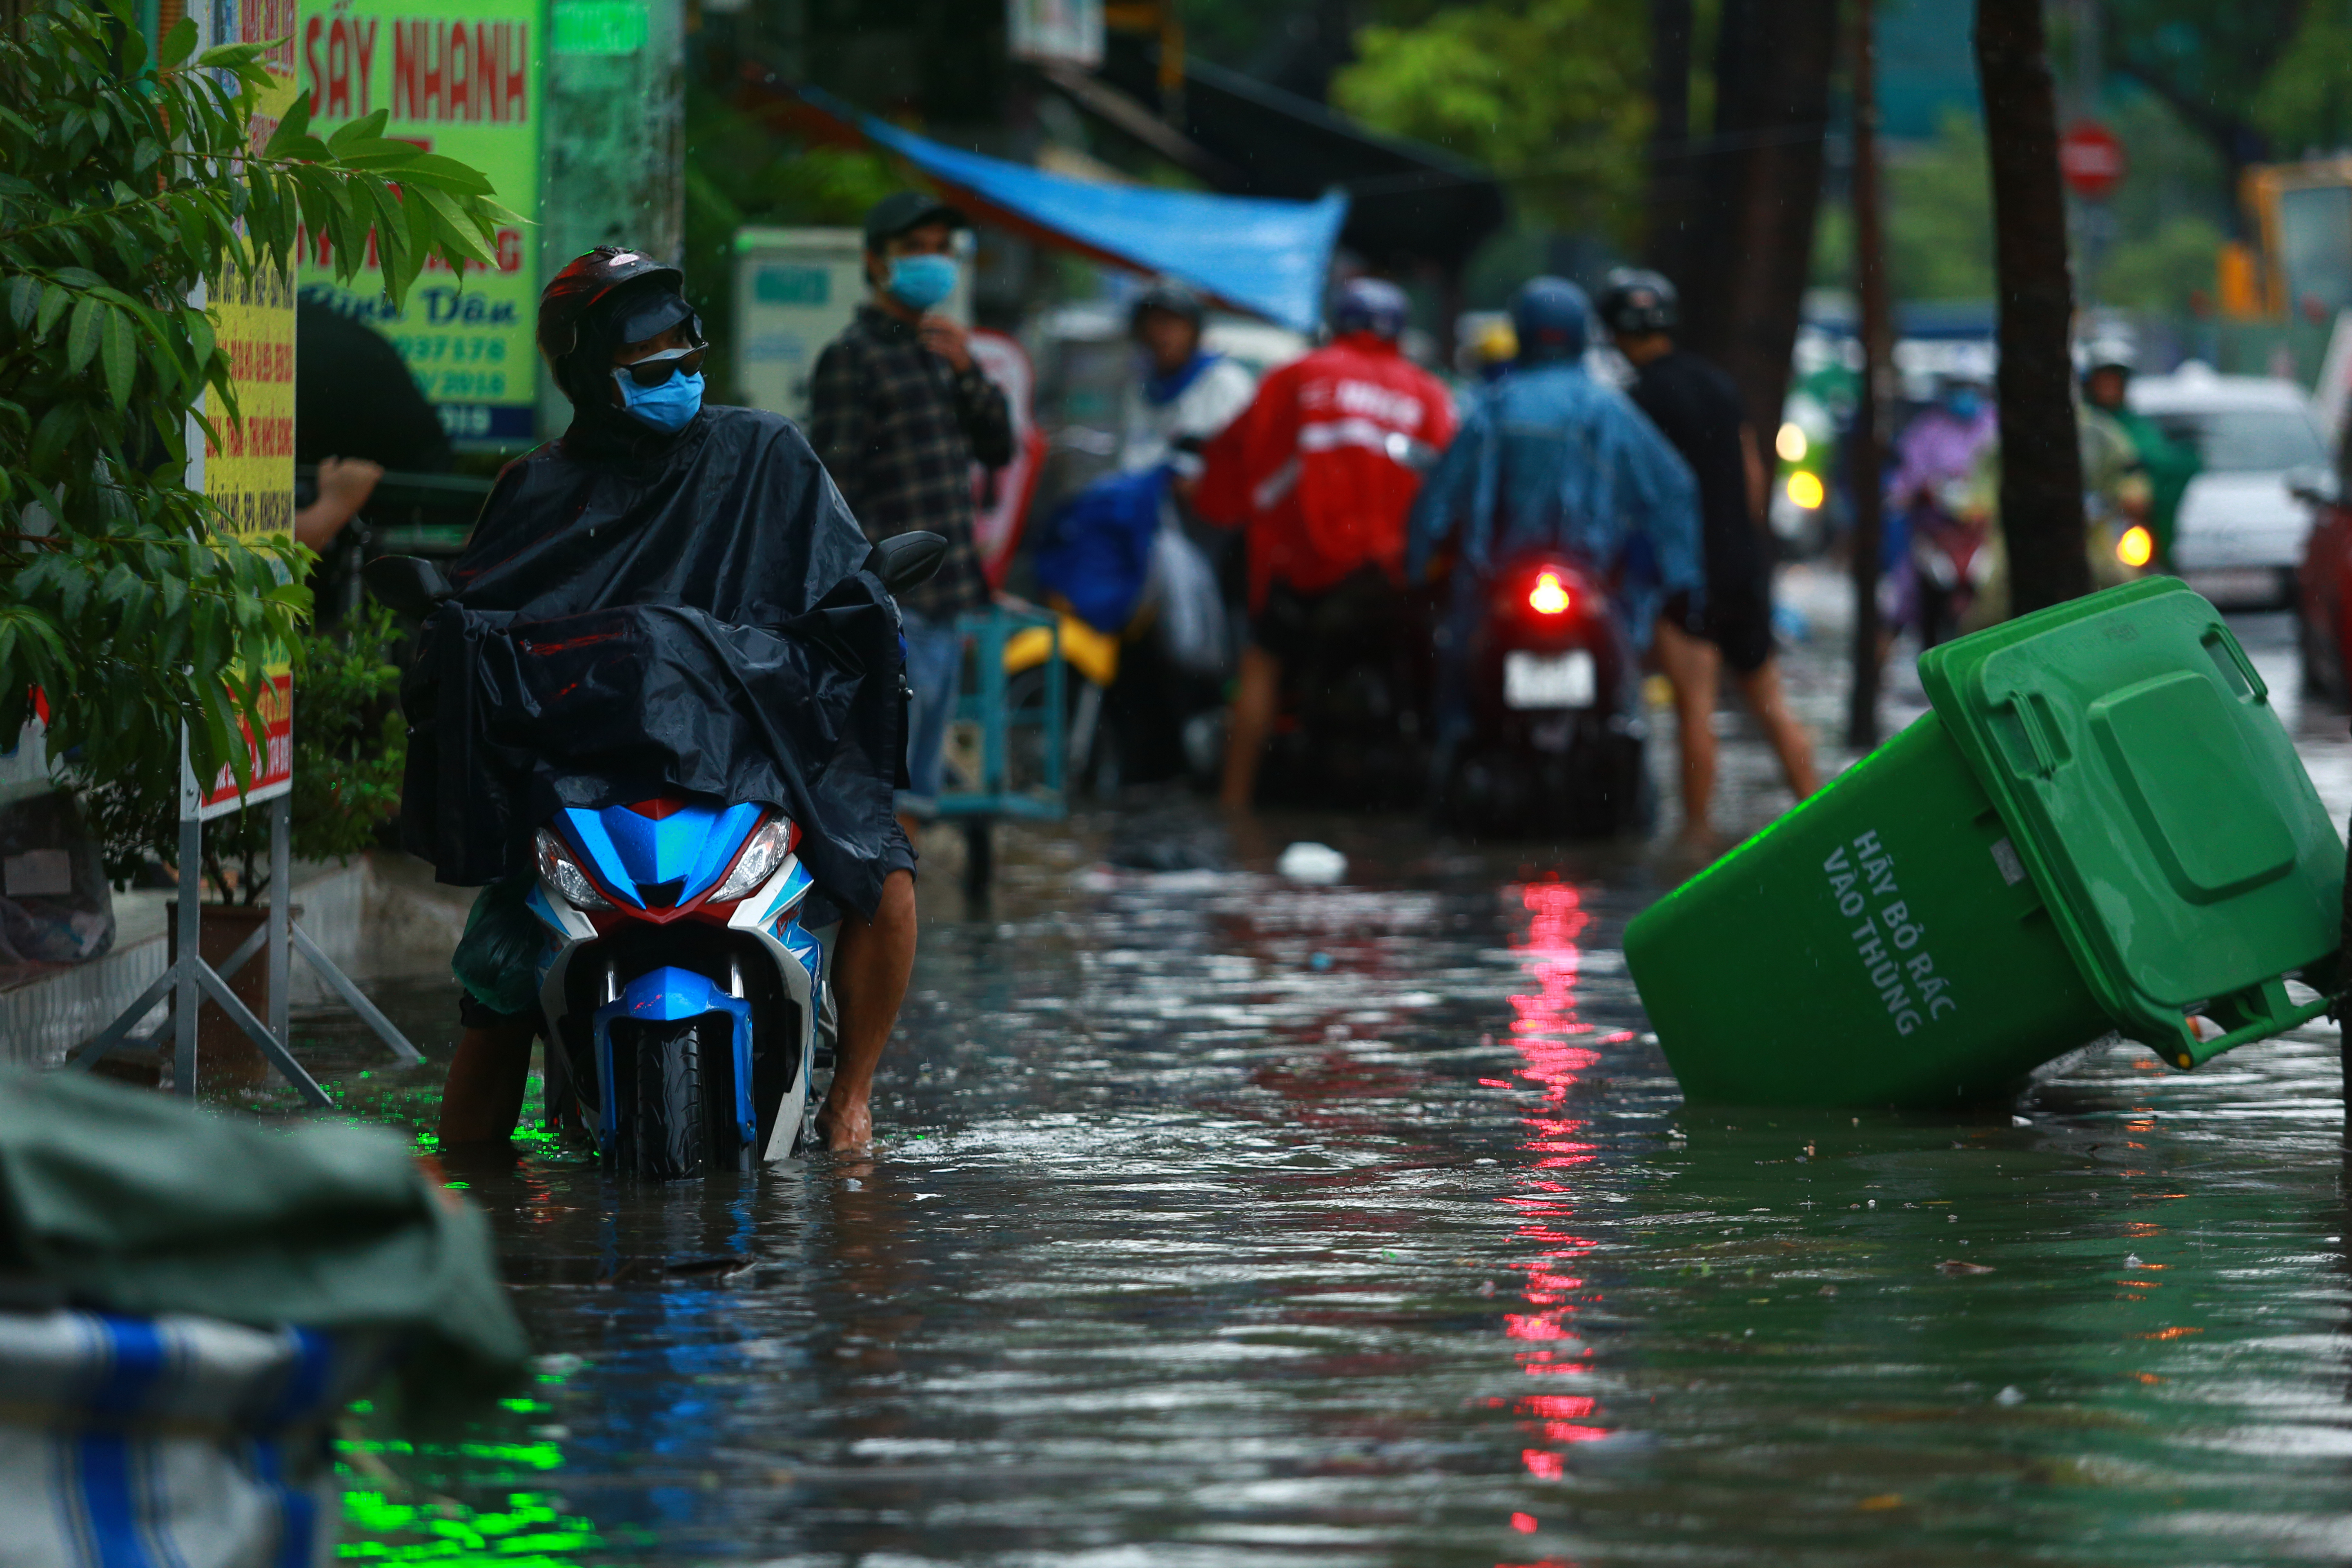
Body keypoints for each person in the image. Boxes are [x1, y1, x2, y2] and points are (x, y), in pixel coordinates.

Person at [429, 246, 918, 1154]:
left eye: (686, 360)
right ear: (587, 372)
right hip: (582, 778)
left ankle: (851, 1099)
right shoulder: (534, 490)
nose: (678, 379)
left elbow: (841, 593)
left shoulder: (766, 454)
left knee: (886, 878)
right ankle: (459, 1213)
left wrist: (861, 605)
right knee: (495, 990)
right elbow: (480, 628)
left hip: (754, 754)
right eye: (651, 368)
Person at [1406, 277, 1702, 788]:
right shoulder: (1608, 409)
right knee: (1628, 708)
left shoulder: (1493, 406)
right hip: (1587, 584)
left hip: (1498, 584)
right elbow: (1672, 492)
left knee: (1456, 702)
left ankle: (1443, 786)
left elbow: (1439, 499)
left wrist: (1416, 569)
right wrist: (1682, 581)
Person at [1194, 277, 1457, 810]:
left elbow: (1238, 465)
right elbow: (1450, 486)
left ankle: (1235, 805)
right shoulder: (1428, 392)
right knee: (1446, 662)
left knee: (1261, 663)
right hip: (1396, 581)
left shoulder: (1294, 376)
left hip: (1307, 574)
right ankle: (1445, 797)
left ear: (1339, 324)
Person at [808, 193, 1014, 834]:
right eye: (914, 250)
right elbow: (835, 492)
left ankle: (900, 925)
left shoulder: (942, 352)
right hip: (897, 606)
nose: (933, 262)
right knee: (889, 796)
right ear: (876, 263)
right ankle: (882, 921)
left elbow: (999, 446)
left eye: (941, 250)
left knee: (918, 797)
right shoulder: (853, 357)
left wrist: (968, 370)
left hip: (949, 598)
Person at [1596, 268, 1817, 839]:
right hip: (1743, 565)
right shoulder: (1719, 384)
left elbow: (1629, 494)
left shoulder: (1636, 401)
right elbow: (1751, 477)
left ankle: (1695, 839)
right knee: (1770, 705)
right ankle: (1823, 818)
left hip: (1688, 575)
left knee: (1695, 707)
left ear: (1615, 333)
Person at [1886, 373, 2000, 647]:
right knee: (1904, 599)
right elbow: (1902, 484)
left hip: (1984, 535)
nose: (1965, 395)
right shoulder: (1927, 430)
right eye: (1959, 387)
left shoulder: (1994, 426)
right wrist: (1920, 491)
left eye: (1971, 387)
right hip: (1936, 534)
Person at [2082, 340, 2198, 567]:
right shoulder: (2082, 424)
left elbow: (2149, 465)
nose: (2109, 386)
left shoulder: (2135, 427)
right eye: (2103, 379)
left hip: (2114, 527)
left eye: (2115, 379)